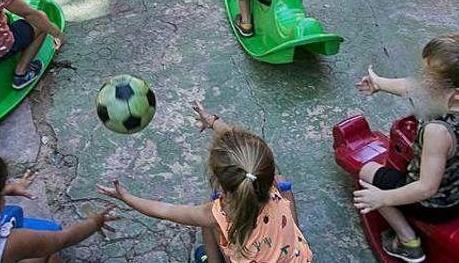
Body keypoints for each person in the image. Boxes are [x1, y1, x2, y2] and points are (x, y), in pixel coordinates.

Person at [97, 102, 311, 262]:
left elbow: (163, 209)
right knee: (285, 185)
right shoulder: (270, 180)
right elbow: (247, 149)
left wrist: (126, 196)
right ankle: (293, 237)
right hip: (299, 257)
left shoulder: (217, 214)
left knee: (209, 225)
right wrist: (214, 122)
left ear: (219, 181)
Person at [351, 32, 459, 262]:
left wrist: (382, 198)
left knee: (366, 173)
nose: (421, 79)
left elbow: (426, 187)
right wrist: (379, 83)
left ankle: (408, 242)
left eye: (429, 77)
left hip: (433, 205)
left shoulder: (438, 132)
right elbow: (412, 87)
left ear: (457, 93)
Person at [0, 145, 117, 262]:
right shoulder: (11, 244)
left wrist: (3, 190)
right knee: (48, 254)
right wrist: (95, 222)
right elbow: (63, 239)